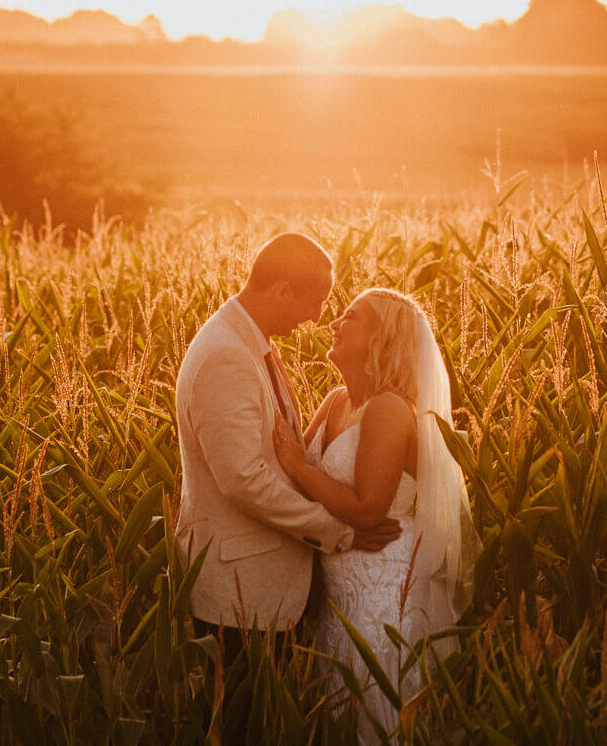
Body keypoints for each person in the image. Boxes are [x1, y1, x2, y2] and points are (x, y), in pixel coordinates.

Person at [174, 232, 402, 742]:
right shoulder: (226, 357)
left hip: (267, 591)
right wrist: (338, 533)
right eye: (315, 301)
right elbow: (245, 481)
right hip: (241, 593)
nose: (319, 317)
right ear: (281, 290)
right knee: (246, 728)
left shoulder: (249, 346)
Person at [272, 287, 474, 744]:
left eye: (350, 316)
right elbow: (293, 477)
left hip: (384, 581)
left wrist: (301, 468)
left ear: (383, 337)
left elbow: (367, 509)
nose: (333, 324)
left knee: (374, 702)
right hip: (339, 582)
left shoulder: (388, 408)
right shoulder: (335, 400)